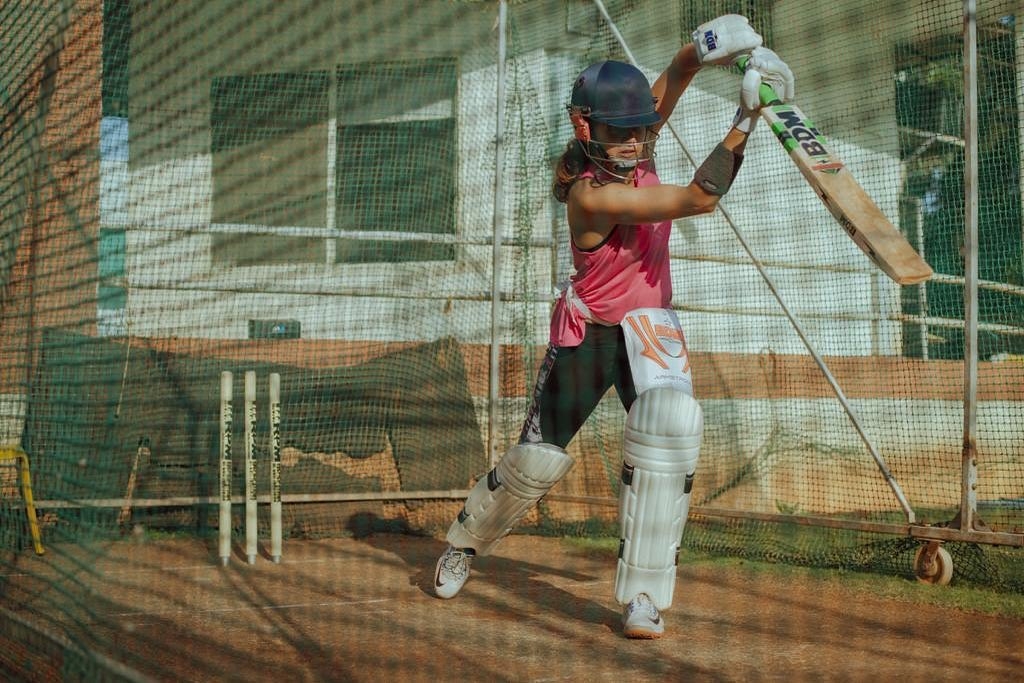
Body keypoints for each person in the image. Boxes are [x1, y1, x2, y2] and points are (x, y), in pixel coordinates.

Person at [433, 15, 795, 639]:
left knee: (668, 439)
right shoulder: (590, 195)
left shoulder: (635, 139)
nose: (634, 142)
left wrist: (715, 46)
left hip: (650, 328)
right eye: (620, 132)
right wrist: (747, 116)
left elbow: (678, 70)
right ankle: (463, 544)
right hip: (591, 335)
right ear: (586, 128)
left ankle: (644, 595)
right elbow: (698, 198)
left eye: (640, 129)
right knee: (534, 462)